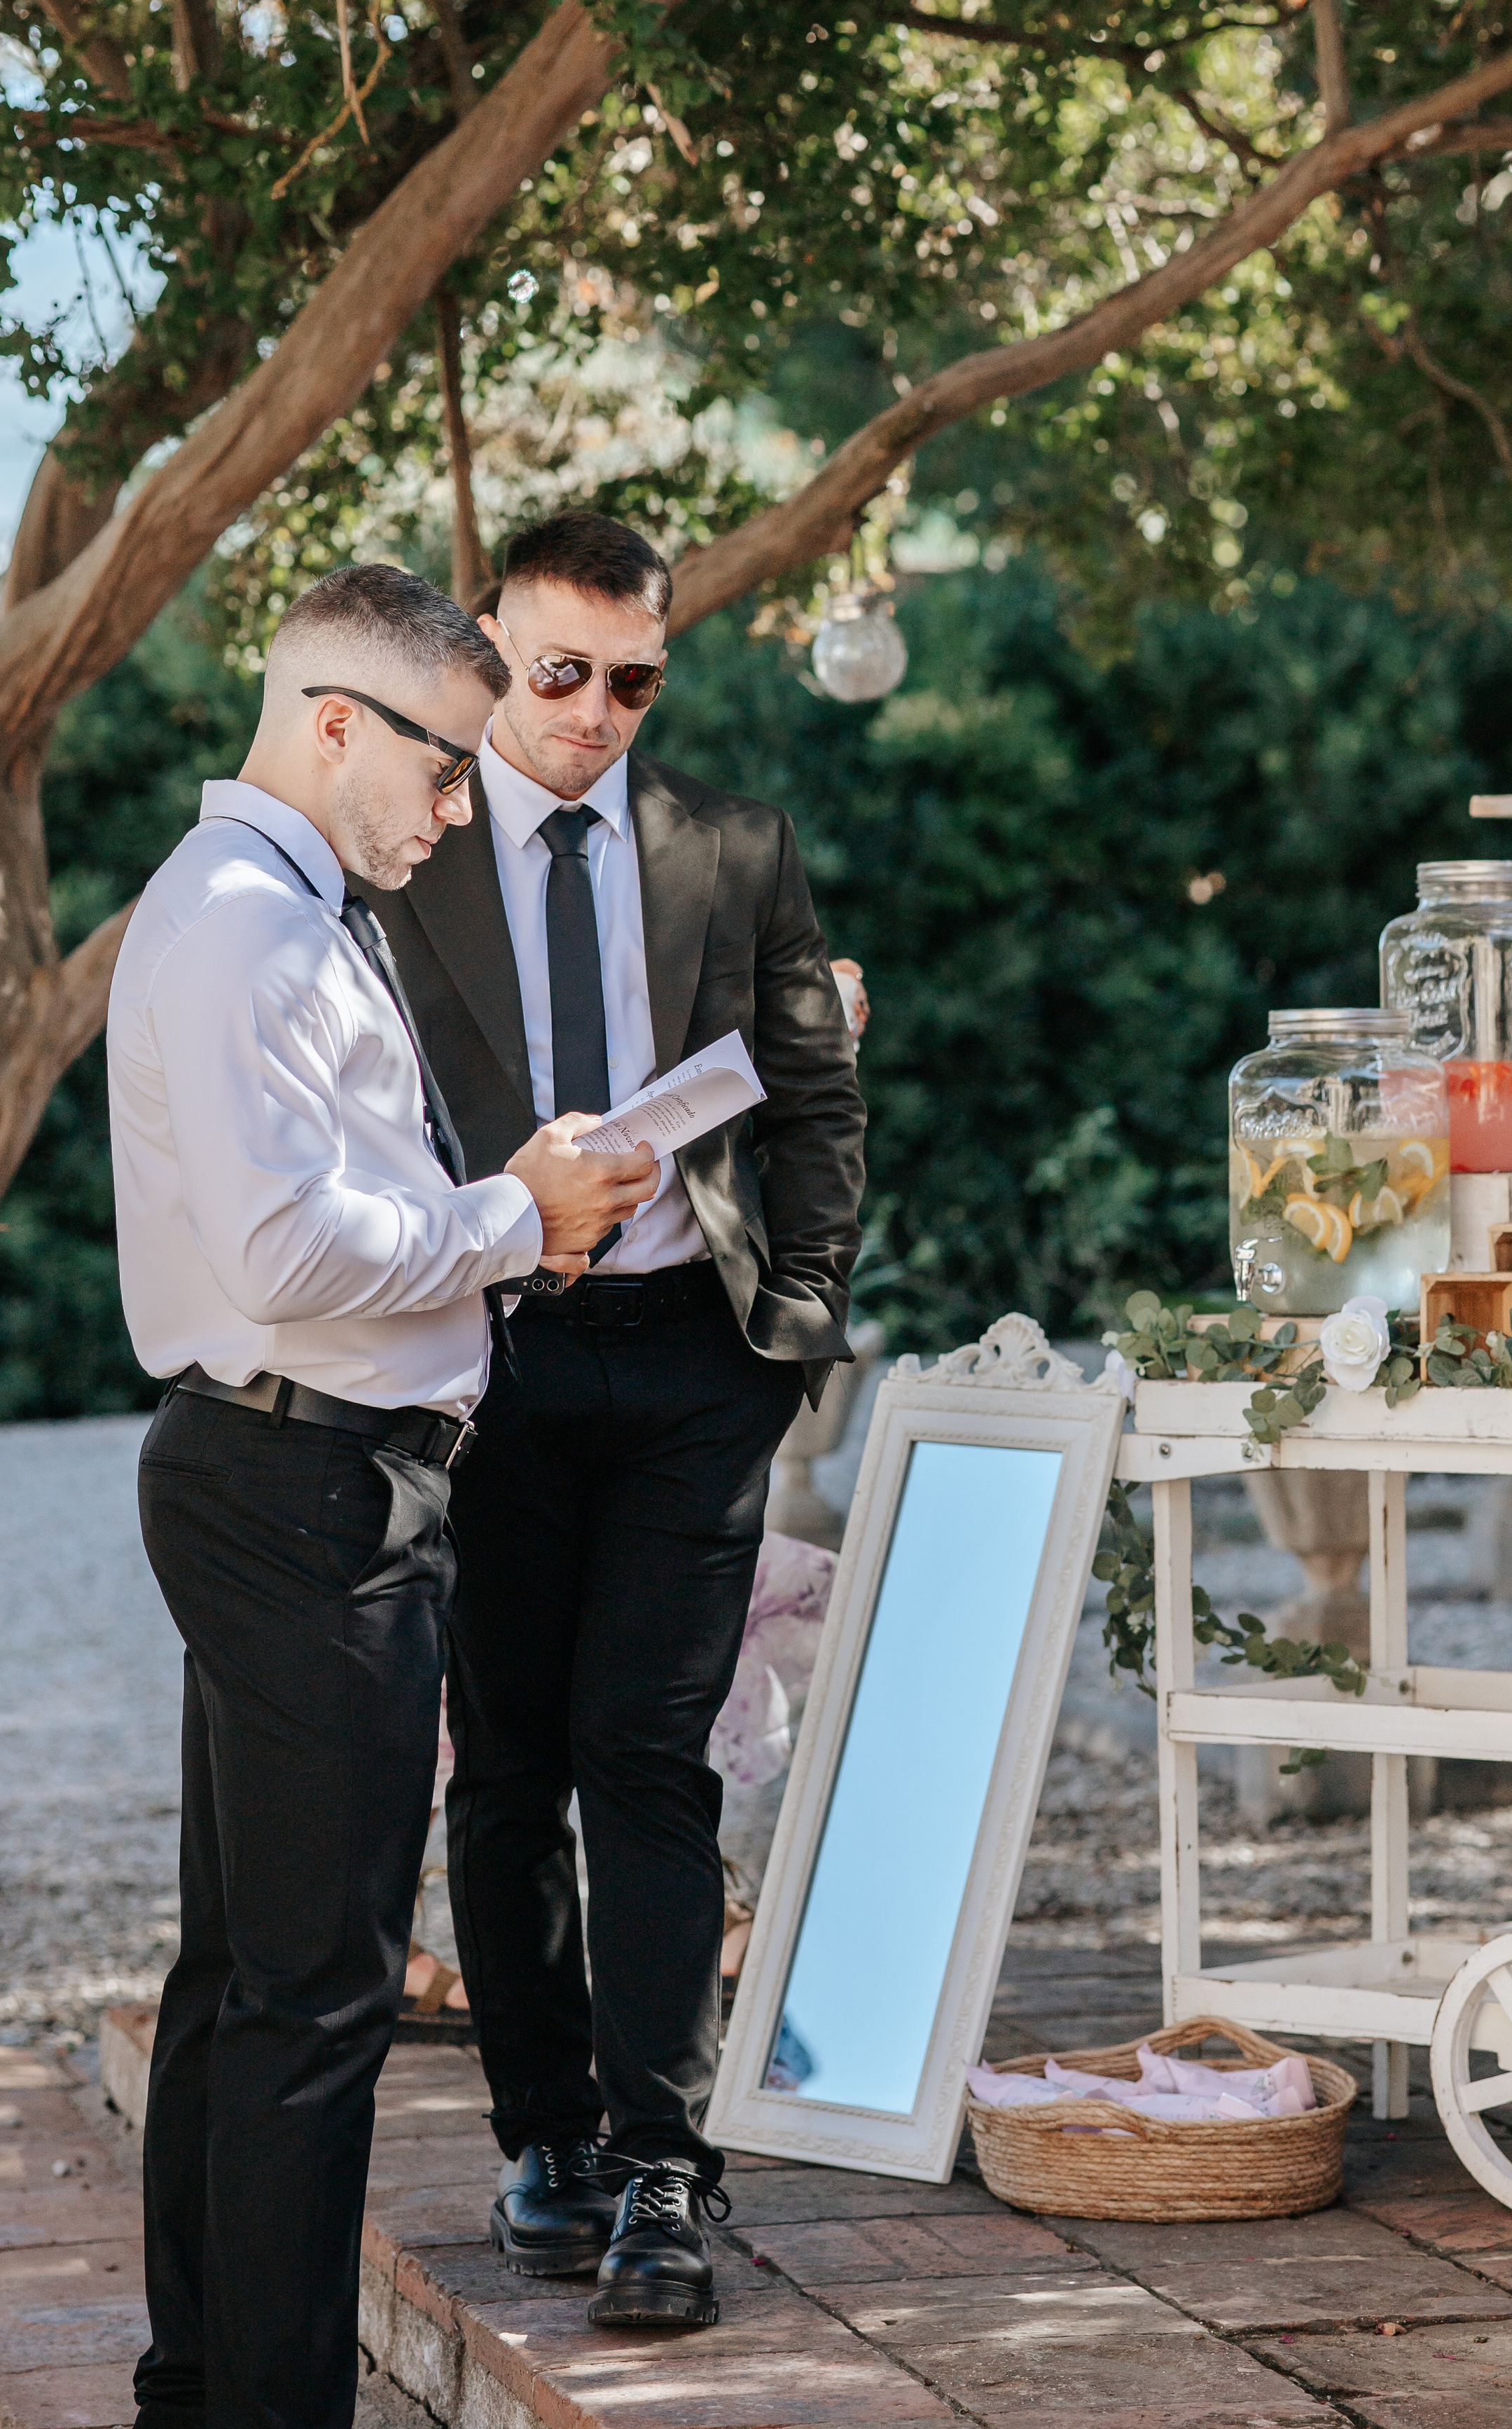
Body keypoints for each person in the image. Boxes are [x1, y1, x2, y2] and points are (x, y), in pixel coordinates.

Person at [106, 561, 657, 2429]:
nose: (467, 796)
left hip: (276, 1469)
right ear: (336, 721)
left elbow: (323, 1221)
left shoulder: (253, 908)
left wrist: (498, 1211)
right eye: (451, 749)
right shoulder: (250, 919)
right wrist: (525, 1212)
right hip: (308, 1487)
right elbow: (287, 1249)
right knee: (317, 2003)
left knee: (240, 1977)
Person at [363, 511, 865, 2331]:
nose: (590, 711)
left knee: (651, 1760)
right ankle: (546, 2135)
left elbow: (815, 1094)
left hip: (684, 1369)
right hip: (480, 1355)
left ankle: (667, 2168)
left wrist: (786, 1336)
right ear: (496, 644)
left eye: (631, 678)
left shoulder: (733, 850)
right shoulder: (399, 856)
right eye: (557, 670)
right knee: (505, 1771)